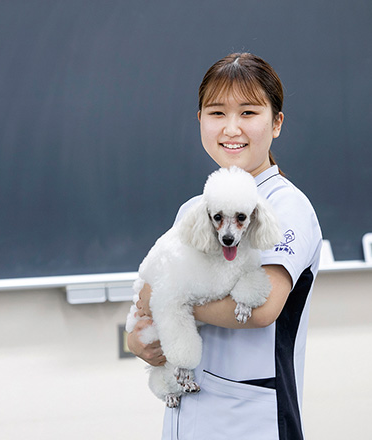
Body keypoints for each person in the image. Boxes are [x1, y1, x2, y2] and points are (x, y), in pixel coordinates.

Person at [127, 52, 322, 440]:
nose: (231, 128)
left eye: (248, 113)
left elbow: (263, 308)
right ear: (200, 120)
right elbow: (146, 296)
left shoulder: (287, 207)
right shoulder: (195, 210)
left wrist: (172, 303)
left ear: (276, 122)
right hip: (188, 413)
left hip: (251, 416)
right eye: (217, 113)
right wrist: (135, 338)